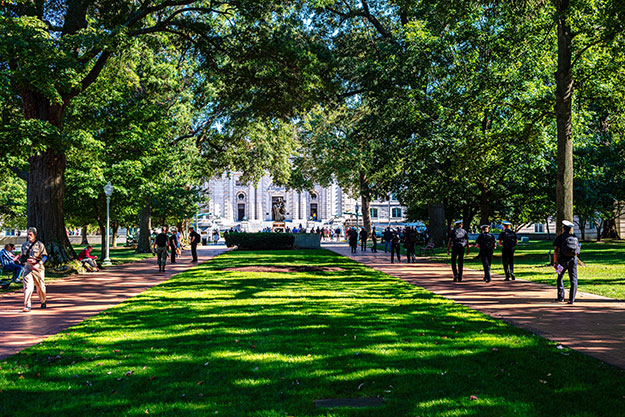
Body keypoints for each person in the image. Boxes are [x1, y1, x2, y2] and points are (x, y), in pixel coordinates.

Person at [21, 227, 48, 312]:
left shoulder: (40, 245)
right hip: (28, 268)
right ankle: (27, 305)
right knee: (27, 287)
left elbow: (45, 256)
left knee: (40, 287)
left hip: (38, 268)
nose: (29, 236)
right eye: (28, 234)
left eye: (31, 234)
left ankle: (43, 301)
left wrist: (38, 264)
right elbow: (23, 257)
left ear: (35, 235)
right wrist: (26, 260)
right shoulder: (24, 245)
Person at [553, 220, 580, 304]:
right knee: (573, 279)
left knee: (560, 277)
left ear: (563, 228)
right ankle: (571, 299)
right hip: (573, 260)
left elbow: (555, 250)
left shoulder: (560, 237)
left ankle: (561, 297)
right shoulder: (575, 238)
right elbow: (577, 250)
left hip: (563, 261)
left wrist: (555, 262)